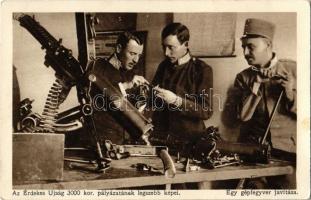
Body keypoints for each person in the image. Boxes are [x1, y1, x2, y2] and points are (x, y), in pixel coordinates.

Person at [225, 18, 296, 188]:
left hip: (289, 152)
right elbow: (242, 117)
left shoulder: (294, 70)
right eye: (243, 47)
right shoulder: (244, 77)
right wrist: (255, 85)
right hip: (254, 151)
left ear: (268, 45)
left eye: (251, 47)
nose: (246, 52)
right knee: (253, 189)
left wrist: (290, 93)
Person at [151, 22, 213, 145]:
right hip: (162, 139)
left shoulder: (202, 69)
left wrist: (176, 101)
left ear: (186, 45)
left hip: (190, 141)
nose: (166, 53)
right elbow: (153, 101)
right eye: (164, 47)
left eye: (171, 47)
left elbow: (206, 111)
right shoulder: (163, 66)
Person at [85, 31, 148, 144]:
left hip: (122, 142)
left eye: (139, 55)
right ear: (119, 49)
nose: (136, 60)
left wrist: (142, 101)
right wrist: (127, 85)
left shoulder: (130, 73)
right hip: (101, 141)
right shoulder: (98, 67)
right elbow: (107, 94)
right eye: (132, 53)